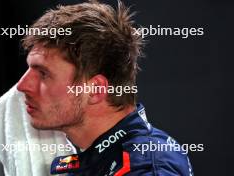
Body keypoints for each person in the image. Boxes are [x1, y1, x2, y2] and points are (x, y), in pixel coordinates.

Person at [17, 0, 194, 175]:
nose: (22, 86)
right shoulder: (96, 157)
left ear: (95, 90)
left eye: (43, 73)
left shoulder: (146, 167)